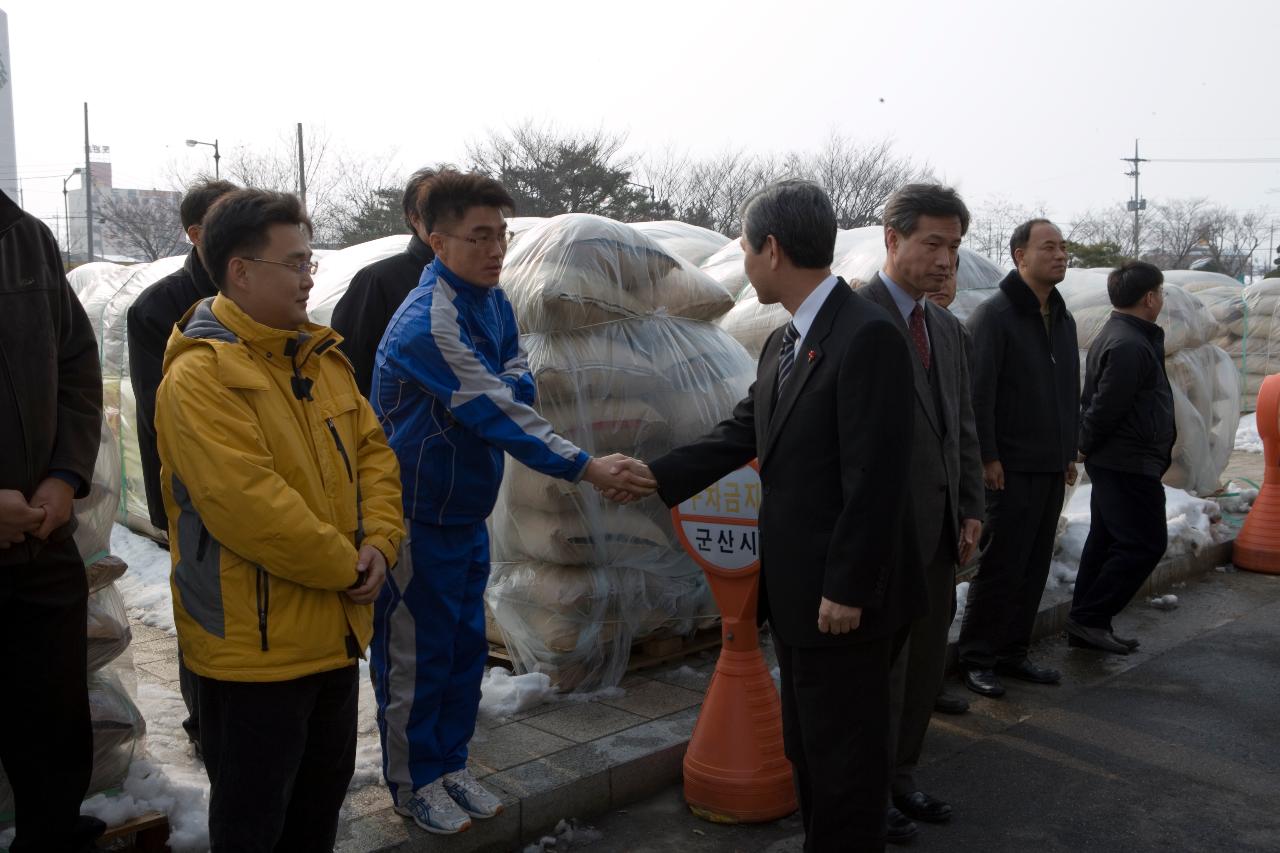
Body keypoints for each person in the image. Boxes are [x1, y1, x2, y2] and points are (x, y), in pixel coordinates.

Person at [625, 180, 921, 852]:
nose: (744, 260)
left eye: (745, 245)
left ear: (773, 248)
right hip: (799, 593)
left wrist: (846, 585)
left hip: (843, 600)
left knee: (846, 758)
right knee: (810, 745)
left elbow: (876, 478)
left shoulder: (866, 335)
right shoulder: (787, 341)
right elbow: (745, 430)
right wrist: (656, 474)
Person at [370, 169, 653, 835]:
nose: (496, 249)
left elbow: (517, 376)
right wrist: (586, 465)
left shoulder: (491, 302)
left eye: (502, 234)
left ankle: (451, 763)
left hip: (466, 512)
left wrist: (501, 391)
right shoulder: (427, 321)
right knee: (417, 657)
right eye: (479, 236)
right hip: (416, 517)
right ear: (436, 241)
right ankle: (415, 785)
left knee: (465, 650)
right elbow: (500, 407)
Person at [154, 189, 405, 851]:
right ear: (241, 270)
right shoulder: (200, 376)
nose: (308, 276)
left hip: (331, 633)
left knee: (316, 812)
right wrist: (345, 563)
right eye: (294, 262)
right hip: (251, 652)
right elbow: (248, 504)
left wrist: (381, 540)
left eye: (309, 259)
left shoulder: (321, 360)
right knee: (252, 822)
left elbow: (375, 454)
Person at [857, 184, 983, 841]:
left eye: (954, 247)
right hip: (878, 539)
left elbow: (960, 428)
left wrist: (969, 508)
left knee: (927, 664)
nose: (944, 260)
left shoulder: (947, 330)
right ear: (893, 238)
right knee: (880, 674)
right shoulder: (852, 317)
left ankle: (903, 776)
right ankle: (865, 794)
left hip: (937, 533)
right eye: (932, 243)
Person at [0, 189, 105, 851]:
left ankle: (51, 833)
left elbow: (75, 364)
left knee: (55, 716)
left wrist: (66, 475)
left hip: (40, 540)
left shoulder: (25, 239)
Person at [126, 177, 238, 752]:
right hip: (189, 491)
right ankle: (206, 725)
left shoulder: (257, 293)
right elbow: (161, 417)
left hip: (249, 486)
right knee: (203, 605)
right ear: (197, 234)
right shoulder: (158, 307)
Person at [959, 219, 1079, 698]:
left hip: (1050, 464)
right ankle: (977, 657)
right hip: (1008, 466)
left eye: (1063, 247)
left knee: (1033, 564)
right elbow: (978, 394)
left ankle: (1013, 653)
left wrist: (1069, 450)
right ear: (1019, 255)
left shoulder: (1063, 318)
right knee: (1003, 563)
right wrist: (987, 456)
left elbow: (1069, 390)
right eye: (1048, 247)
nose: (1060, 255)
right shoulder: (996, 316)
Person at [1067, 261, 1174, 654]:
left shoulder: (1124, 334)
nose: (1161, 299)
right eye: (1160, 293)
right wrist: (1083, 446)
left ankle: (1087, 620)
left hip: (1120, 459)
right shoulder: (1129, 343)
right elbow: (1105, 407)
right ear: (1149, 298)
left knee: (1106, 540)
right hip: (1127, 463)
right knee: (1144, 544)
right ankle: (1091, 617)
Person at [331, 166, 438, 397]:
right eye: (439, 211)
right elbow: (347, 366)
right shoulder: (377, 279)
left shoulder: (481, 285)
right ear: (415, 218)